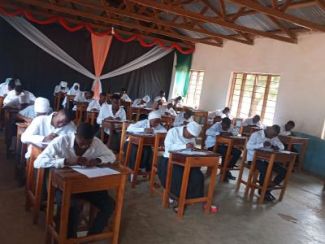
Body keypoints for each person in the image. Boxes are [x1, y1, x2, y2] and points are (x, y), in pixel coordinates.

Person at [34, 123, 116, 238]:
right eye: (82, 143)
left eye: (88, 144)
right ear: (76, 135)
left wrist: (97, 160)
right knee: (72, 206)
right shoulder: (61, 141)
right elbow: (38, 162)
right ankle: (70, 239)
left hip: (86, 185)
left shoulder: (96, 142)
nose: (85, 146)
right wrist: (65, 161)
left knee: (109, 204)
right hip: (63, 187)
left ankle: (91, 237)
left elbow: (111, 156)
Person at [158, 121, 203, 211]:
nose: (191, 137)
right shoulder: (173, 131)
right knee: (178, 175)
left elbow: (191, 148)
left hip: (186, 160)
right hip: (170, 160)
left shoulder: (191, 137)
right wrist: (184, 146)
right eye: (190, 135)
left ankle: (190, 197)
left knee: (198, 175)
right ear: (186, 129)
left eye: (192, 136)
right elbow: (168, 148)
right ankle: (175, 196)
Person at [246, 125, 285, 201]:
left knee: (283, 171)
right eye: (272, 135)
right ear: (269, 130)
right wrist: (262, 145)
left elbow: (282, 147)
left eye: (275, 135)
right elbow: (248, 146)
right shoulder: (256, 134)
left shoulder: (274, 137)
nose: (272, 137)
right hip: (254, 159)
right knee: (265, 169)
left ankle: (267, 189)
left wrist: (276, 147)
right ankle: (263, 191)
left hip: (268, 160)